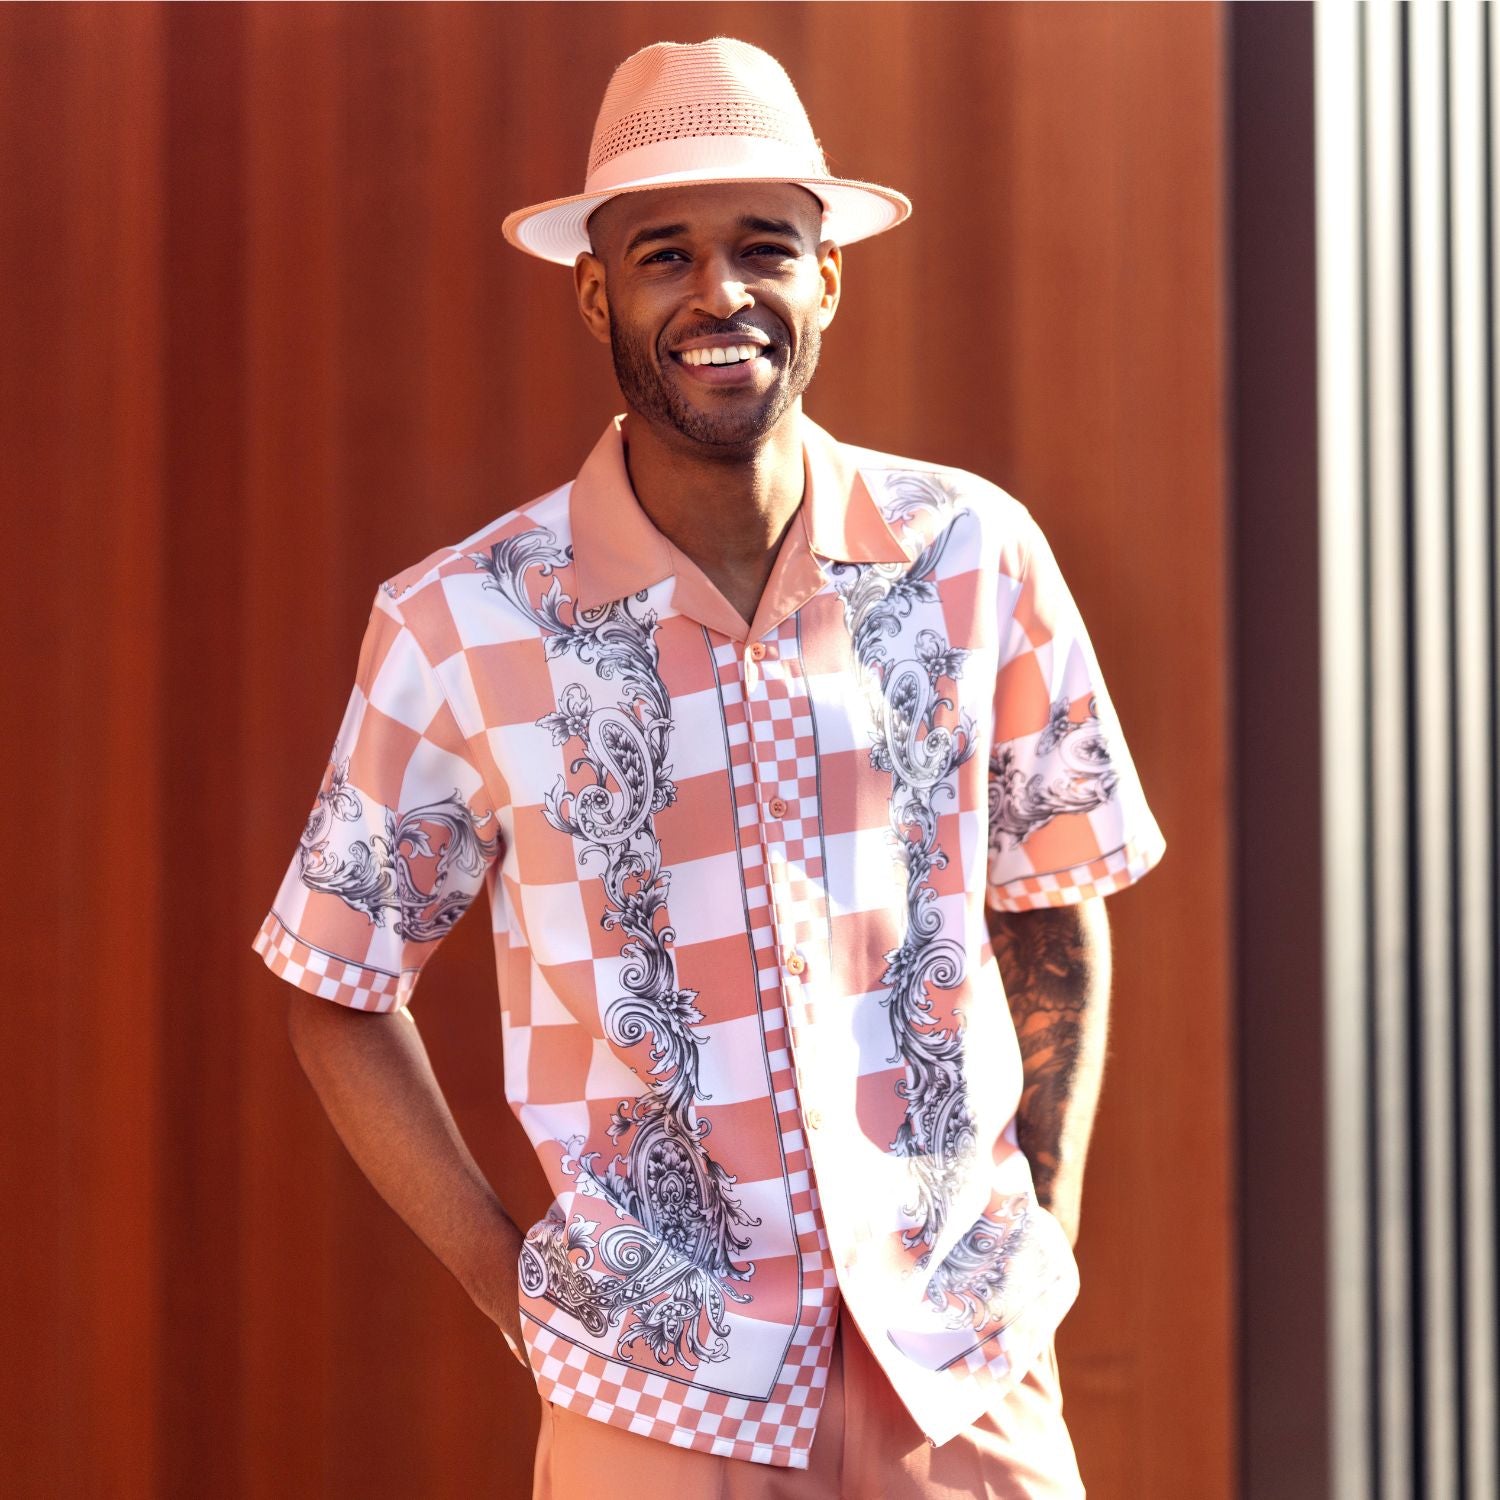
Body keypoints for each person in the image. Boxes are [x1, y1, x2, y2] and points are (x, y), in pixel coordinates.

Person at [251, 35, 1166, 1499]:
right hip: (655, 1407)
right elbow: (334, 985)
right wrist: (514, 1288)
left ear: (829, 277)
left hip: (966, 1378)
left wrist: (1037, 1232)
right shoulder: (460, 621)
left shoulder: (974, 556)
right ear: (596, 292)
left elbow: (1053, 900)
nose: (719, 293)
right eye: (664, 253)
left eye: (764, 247)